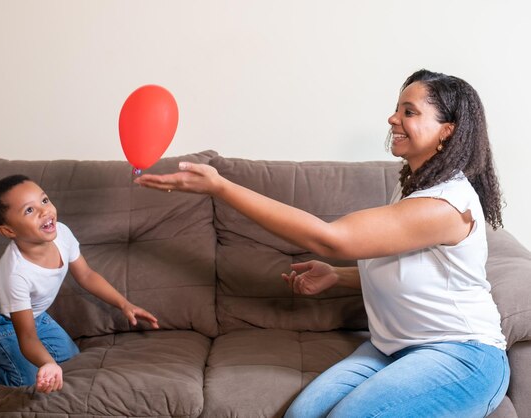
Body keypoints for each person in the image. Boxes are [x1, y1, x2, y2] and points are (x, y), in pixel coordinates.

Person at [134, 69, 509, 417]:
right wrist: (337, 277)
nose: (393, 119)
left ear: (447, 130)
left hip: (463, 356)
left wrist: (221, 187)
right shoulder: (410, 187)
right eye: (396, 109)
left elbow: (330, 239)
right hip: (393, 350)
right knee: (302, 414)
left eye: (409, 112)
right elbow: (415, 271)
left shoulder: (446, 205)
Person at [0, 174, 159, 394]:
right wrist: (46, 363)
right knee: (27, 376)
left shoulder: (62, 233)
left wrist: (124, 303)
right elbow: (27, 337)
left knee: (69, 355)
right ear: (8, 230)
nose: (45, 211)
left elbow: (86, 275)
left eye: (44, 200)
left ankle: (12, 355)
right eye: (29, 210)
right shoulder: (15, 273)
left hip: (31, 314)